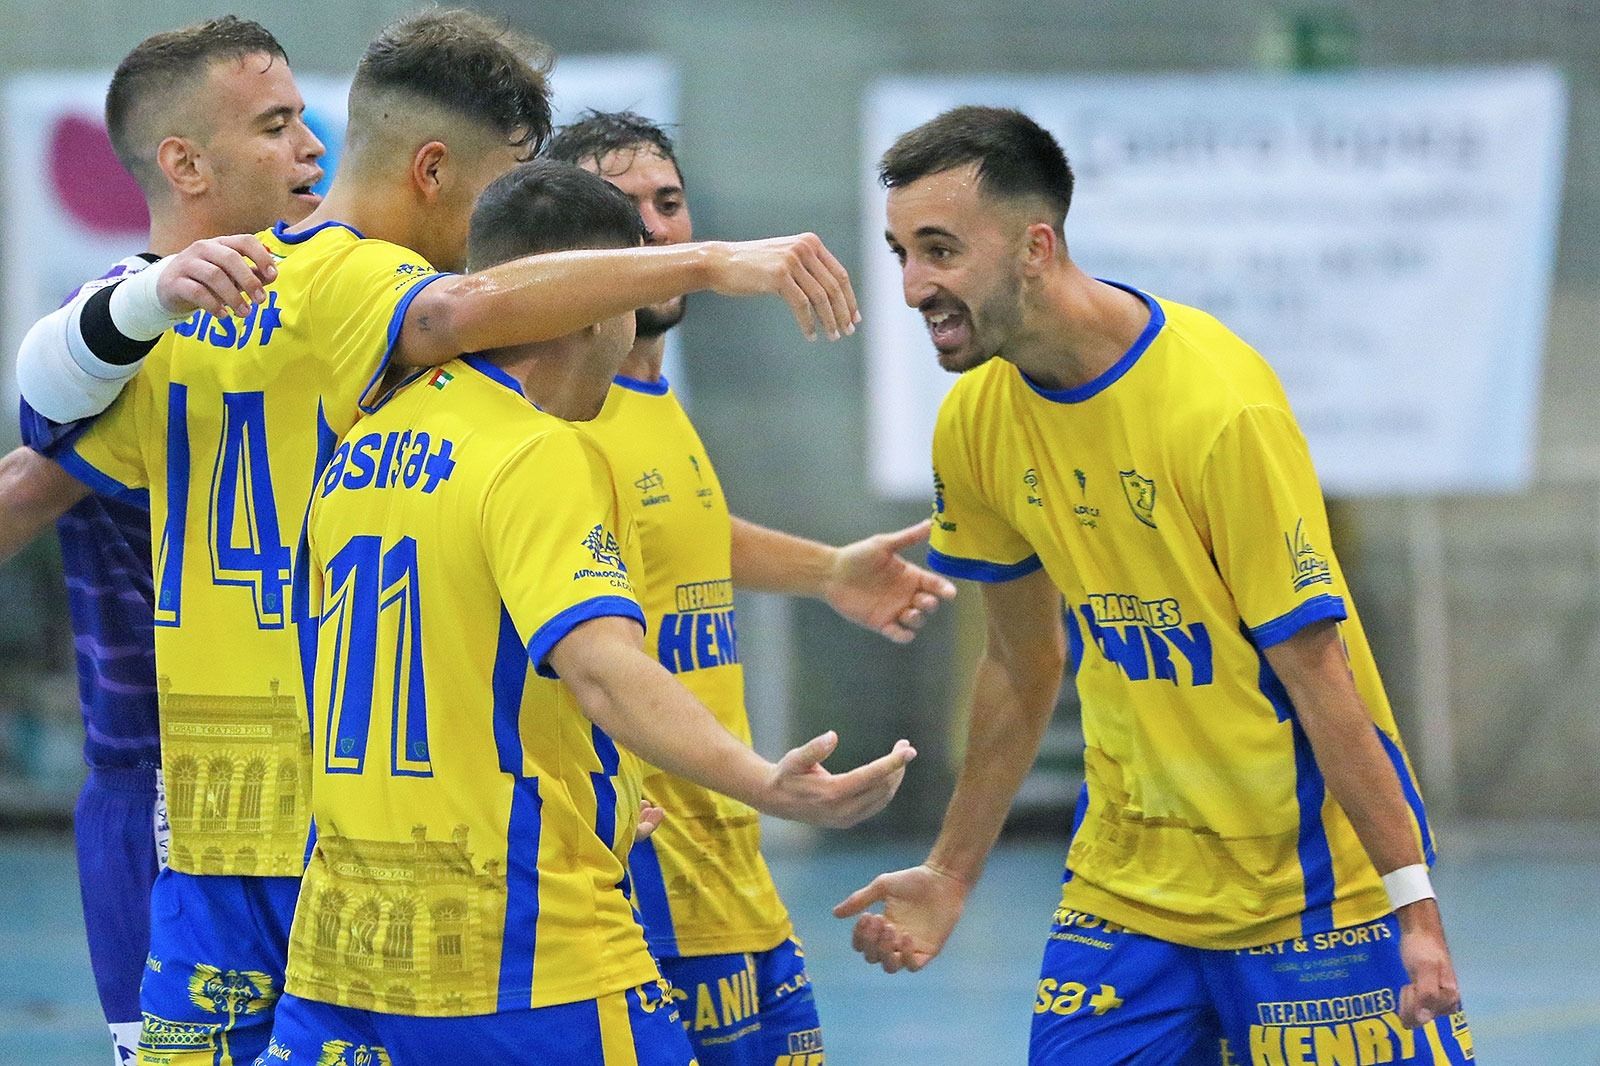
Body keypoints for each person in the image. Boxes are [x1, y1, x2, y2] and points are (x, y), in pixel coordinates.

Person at [38, 10, 859, 1065]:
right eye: (501, 187)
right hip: (370, 845)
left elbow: (37, 453)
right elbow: (589, 653)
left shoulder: (185, 302)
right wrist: (703, 264)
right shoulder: (387, 312)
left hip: (210, 828)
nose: (309, 148)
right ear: (434, 171)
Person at [834, 106, 1474, 1065]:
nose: (915, 285)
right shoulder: (975, 420)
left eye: (940, 251)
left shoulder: (1219, 409)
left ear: (1036, 247)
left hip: (1305, 891)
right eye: (900, 254)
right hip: (1126, 887)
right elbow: (1018, 664)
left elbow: (1320, 676)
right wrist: (951, 874)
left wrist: (1410, 903)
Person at [259, 156, 914, 1065]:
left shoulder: (362, 438)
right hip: (526, 956)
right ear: (593, 306)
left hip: (342, 955)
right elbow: (603, 669)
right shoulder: (537, 454)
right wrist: (765, 784)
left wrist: (598, 791)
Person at [549, 110, 954, 1065]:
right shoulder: (562, 418)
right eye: (623, 213)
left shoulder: (648, 394)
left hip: (730, 868)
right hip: (639, 884)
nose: (656, 231)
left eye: (670, 203)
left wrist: (825, 572)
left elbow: (677, 532)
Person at [0, 18, 321, 1062]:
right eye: (277, 126)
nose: (312, 147)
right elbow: (30, 450)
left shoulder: (342, 310)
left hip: (349, 797)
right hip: (171, 804)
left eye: (306, 121)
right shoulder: (111, 332)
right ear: (183, 162)